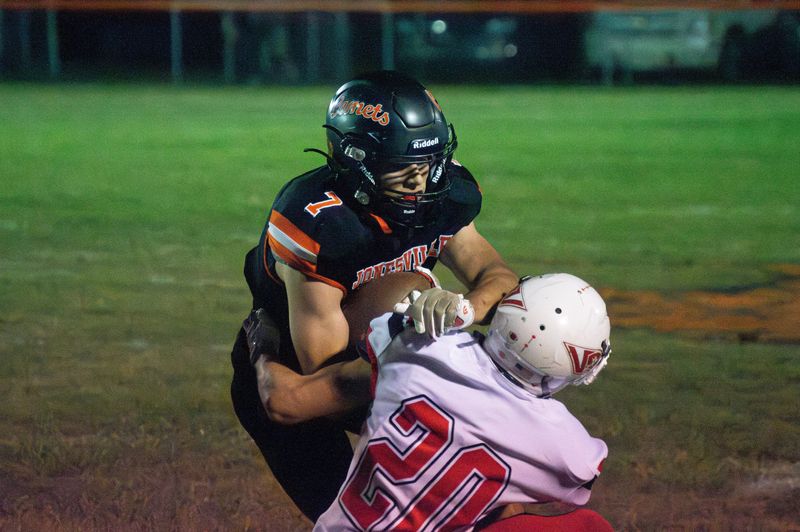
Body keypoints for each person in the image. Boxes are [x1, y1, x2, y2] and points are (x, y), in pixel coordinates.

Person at [231, 70, 519, 521]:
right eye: (401, 166)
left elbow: (497, 275)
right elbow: (324, 377)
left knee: (486, 501)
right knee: (355, 519)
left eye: (426, 163)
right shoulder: (320, 220)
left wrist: (462, 310)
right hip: (300, 376)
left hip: (382, 364)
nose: (419, 181)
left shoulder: (445, 192)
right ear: (355, 158)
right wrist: (412, 361)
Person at [259, 273, 614, 531]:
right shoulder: (568, 448)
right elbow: (579, 484)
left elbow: (286, 401)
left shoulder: (416, 344)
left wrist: (261, 347)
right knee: (587, 525)